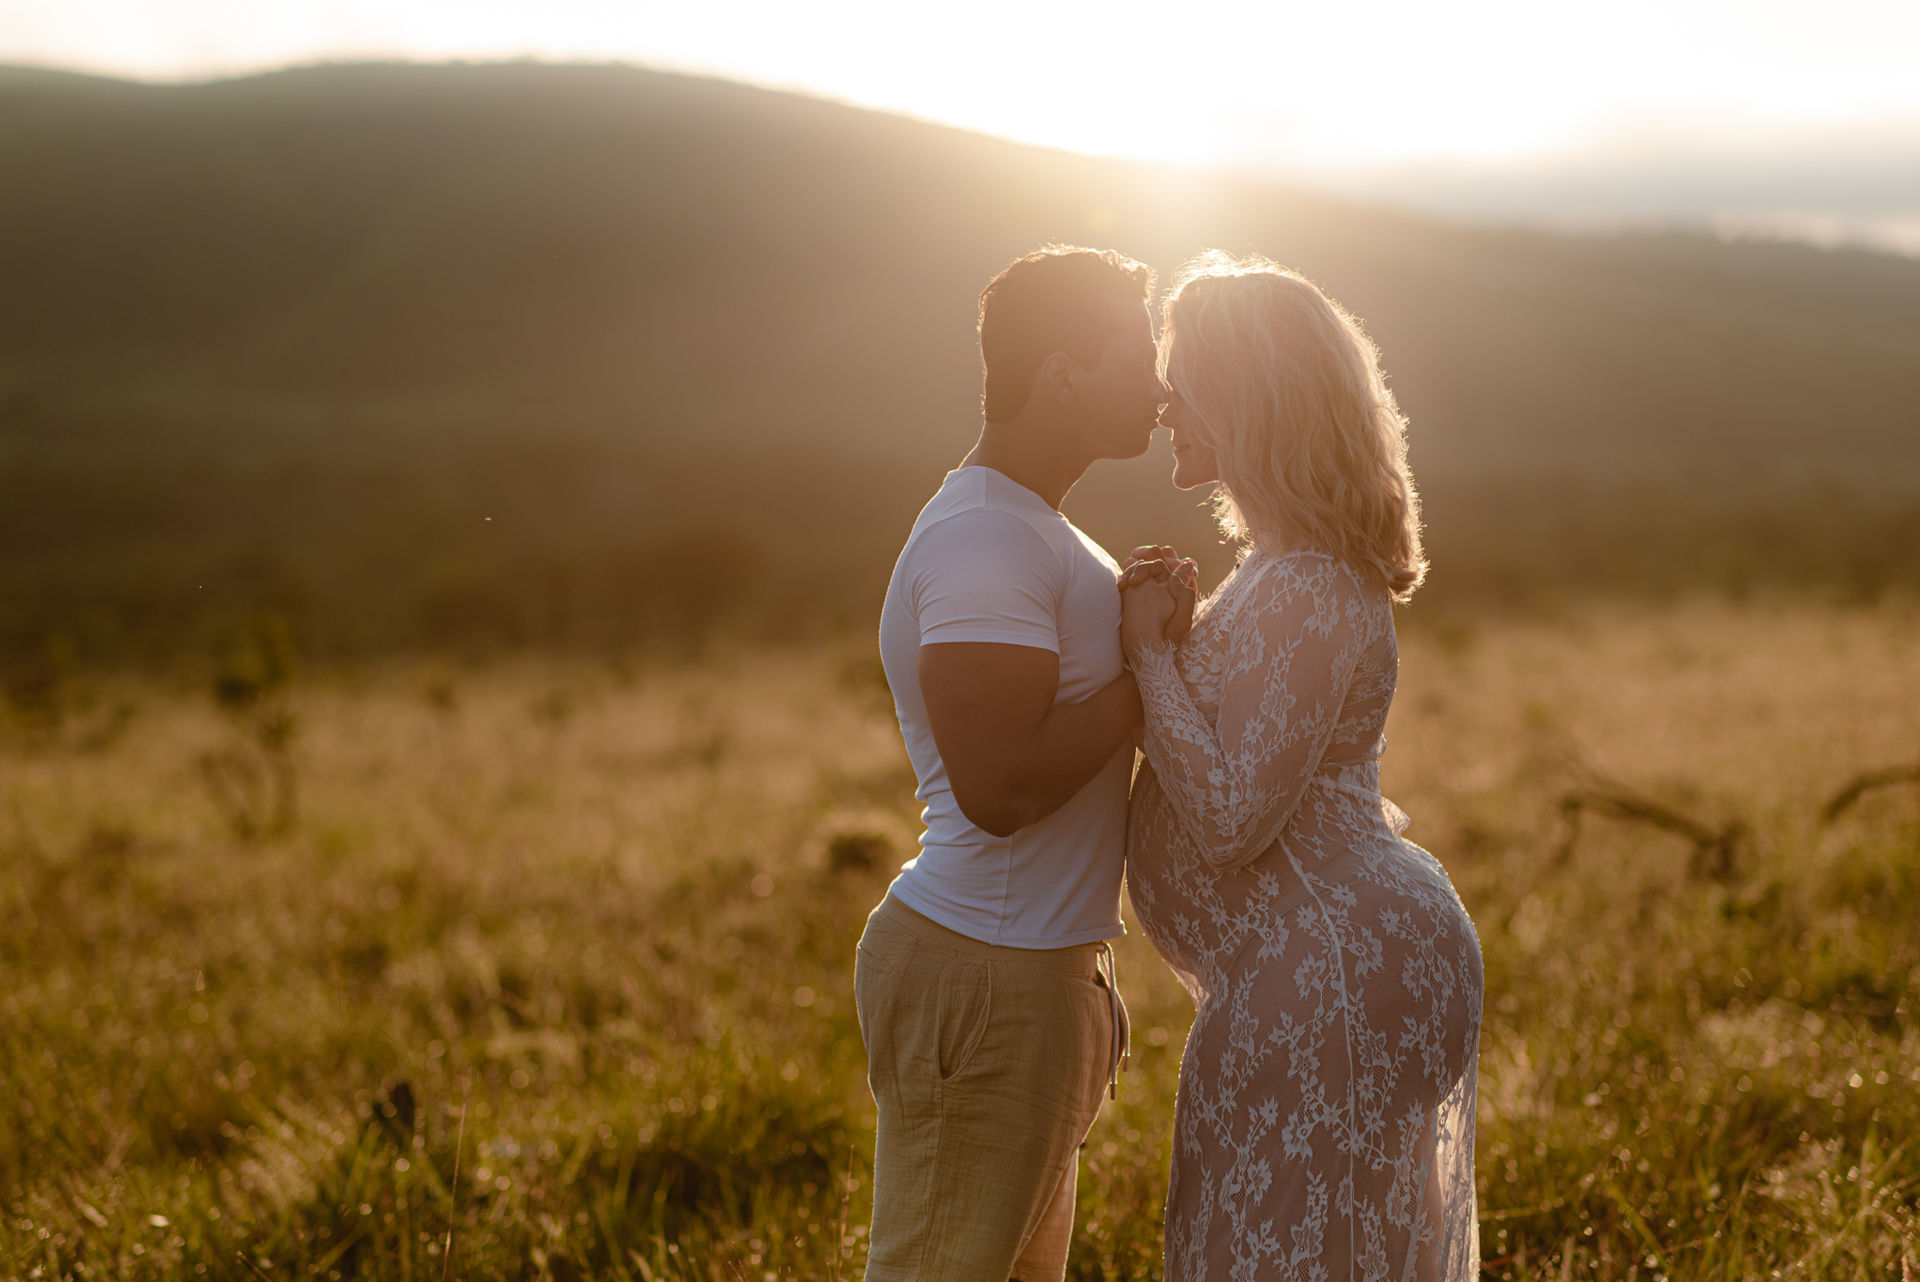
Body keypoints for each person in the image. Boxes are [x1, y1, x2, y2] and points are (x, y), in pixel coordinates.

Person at [1119, 253, 1484, 1281]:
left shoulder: (1314, 581)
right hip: (1308, 965)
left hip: (1330, 972)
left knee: (1273, 1254)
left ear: (1242, 398)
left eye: (1181, 379)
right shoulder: (1279, 572)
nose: (1163, 403)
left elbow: (1234, 818)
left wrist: (1150, 656)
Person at [856, 245, 1187, 1282]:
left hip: (1029, 971)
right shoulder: (984, 539)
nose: (1162, 387)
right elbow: (999, 789)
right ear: (1062, 374)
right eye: (1137, 356)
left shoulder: (1036, 530)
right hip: (986, 970)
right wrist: (1147, 669)